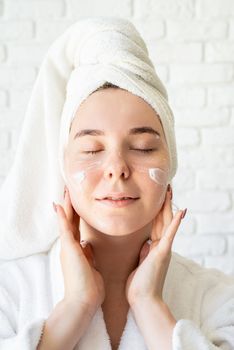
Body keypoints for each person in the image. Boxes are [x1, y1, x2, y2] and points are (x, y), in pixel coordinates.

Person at [0, 17, 233, 350]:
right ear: (63, 167)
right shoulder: (8, 293)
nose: (116, 169)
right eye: (92, 149)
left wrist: (149, 305)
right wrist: (74, 309)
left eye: (143, 148)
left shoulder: (220, 301)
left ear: (171, 166)